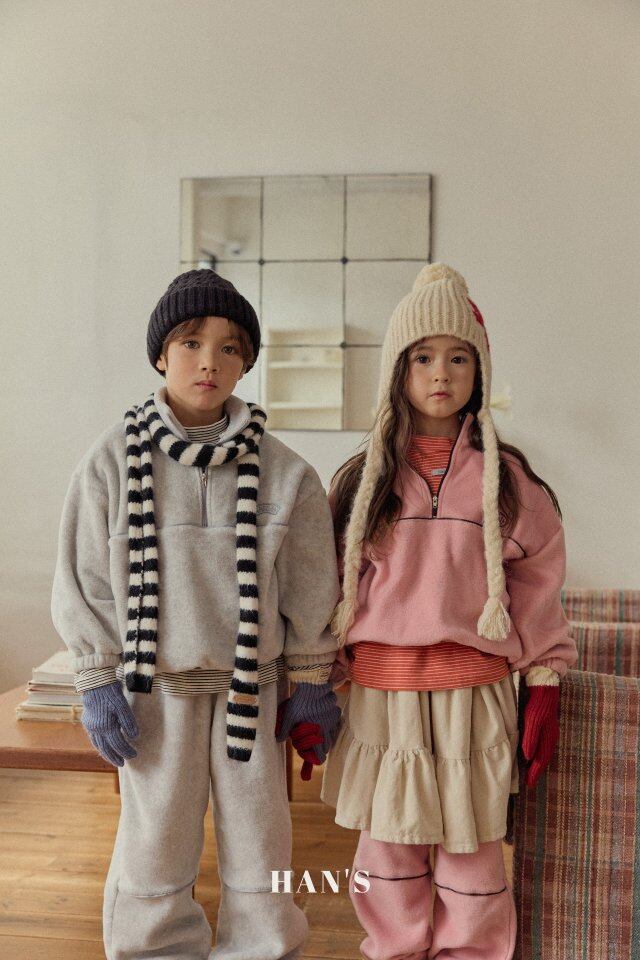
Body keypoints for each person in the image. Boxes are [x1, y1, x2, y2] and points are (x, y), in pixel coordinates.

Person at [51, 268, 341, 960]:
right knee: (154, 841)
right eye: (190, 342)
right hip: (155, 691)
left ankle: (262, 948)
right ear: (161, 354)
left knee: (262, 841)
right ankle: (153, 949)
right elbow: (86, 577)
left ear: (246, 362)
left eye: (229, 347)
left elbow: (311, 588)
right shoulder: (109, 463)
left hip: (251, 690)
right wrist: (96, 677)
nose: (209, 361)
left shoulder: (287, 473)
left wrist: (310, 681)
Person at [321, 263, 578, 960]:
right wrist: (314, 681)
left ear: (480, 370)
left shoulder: (510, 481)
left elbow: (538, 583)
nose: (442, 373)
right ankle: (395, 950)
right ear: (397, 371)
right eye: (424, 357)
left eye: (459, 357)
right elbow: (329, 589)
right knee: (388, 847)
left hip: (474, 694)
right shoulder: (362, 482)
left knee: (472, 850)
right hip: (384, 697)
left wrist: (545, 681)